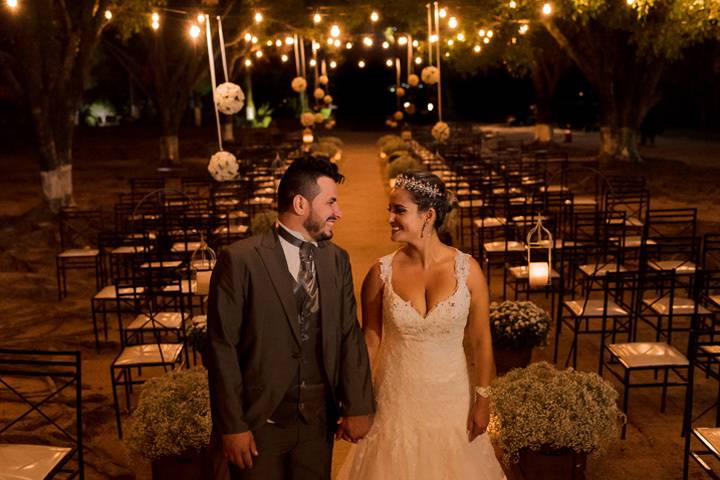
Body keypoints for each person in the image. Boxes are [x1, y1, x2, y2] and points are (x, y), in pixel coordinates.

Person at [206, 156, 375, 480]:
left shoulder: (336, 259)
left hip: (316, 424)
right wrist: (233, 426)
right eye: (331, 202)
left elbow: (347, 334)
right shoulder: (240, 260)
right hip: (258, 425)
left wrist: (357, 405)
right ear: (300, 203)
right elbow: (221, 347)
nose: (338, 213)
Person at [337, 171, 505, 479]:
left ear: (428, 215)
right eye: (390, 209)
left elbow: (481, 341)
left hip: (451, 403)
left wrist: (483, 400)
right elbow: (370, 340)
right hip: (395, 401)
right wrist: (355, 400)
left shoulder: (468, 271)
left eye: (399, 210)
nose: (389, 217)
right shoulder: (380, 273)